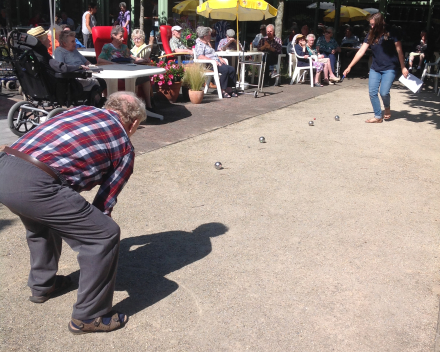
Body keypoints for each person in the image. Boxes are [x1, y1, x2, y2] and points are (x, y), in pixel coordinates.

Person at [0, 91, 146, 334]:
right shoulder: (125, 147)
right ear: (133, 123)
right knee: (104, 234)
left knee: (41, 224)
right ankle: (89, 316)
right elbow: (103, 205)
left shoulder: (80, 111)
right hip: (37, 181)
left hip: (6, 165)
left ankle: (43, 285)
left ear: (109, 107)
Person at [343, 13, 408, 123]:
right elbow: (361, 51)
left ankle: (387, 108)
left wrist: (403, 67)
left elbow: (399, 50)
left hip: (390, 67)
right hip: (375, 68)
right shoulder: (370, 34)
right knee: (372, 92)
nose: (371, 26)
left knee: (383, 92)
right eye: (370, 24)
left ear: (379, 23)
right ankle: (378, 116)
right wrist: (349, 66)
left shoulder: (392, 33)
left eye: (373, 24)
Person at [98, 26, 155, 112]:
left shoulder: (124, 47)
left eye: (123, 36)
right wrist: (113, 63)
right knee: (134, 79)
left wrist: (143, 60)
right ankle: (133, 108)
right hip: (116, 72)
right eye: (120, 36)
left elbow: (133, 57)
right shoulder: (107, 47)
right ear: (113, 36)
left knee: (145, 77)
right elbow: (100, 60)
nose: (123, 38)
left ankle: (149, 105)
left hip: (128, 68)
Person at [194, 26, 238, 98]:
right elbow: (200, 56)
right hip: (209, 65)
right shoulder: (200, 44)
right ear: (205, 36)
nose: (211, 36)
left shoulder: (207, 44)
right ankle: (222, 90)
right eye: (209, 35)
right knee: (225, 70)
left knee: (231, 69)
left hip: (216, 63)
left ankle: (229, 89)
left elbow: (213, 54)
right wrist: (212, 60)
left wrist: (219, 58)